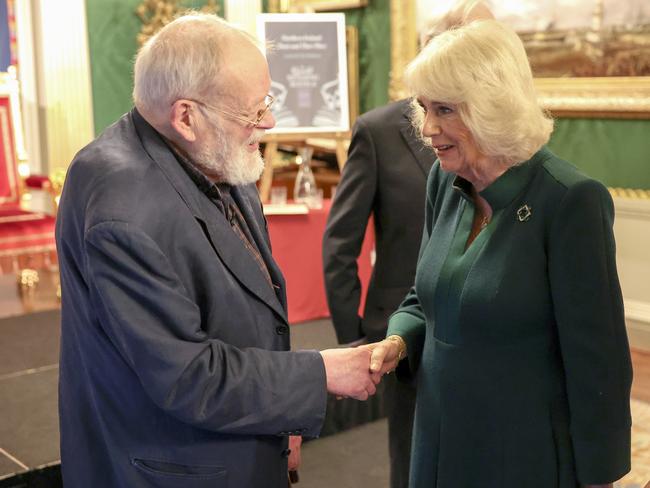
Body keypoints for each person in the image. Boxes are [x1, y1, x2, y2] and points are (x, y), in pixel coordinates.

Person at [55, 13, 381, 488]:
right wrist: (321, 373)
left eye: (267, 101)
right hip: (171, 468)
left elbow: (252, 310)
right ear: (186, 115)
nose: (268, 122)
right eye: (252, 111)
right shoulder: (121, 212)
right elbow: (186, 376)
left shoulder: (215, 154)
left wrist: (282, 418)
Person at [366, 19, 632, 488]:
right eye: (424, 108)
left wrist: (600, 476)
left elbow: (599, 361)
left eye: (445, 110)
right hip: (438, 435)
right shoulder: (444, 182)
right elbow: (425, 296)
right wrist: (399, 339)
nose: (427, 128)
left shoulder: (570, 201)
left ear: (492, 105)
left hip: (521, 450)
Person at [322, 2, 493, 487]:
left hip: (482, 333)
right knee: (413, 462)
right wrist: (353, 334)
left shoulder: (508, 142)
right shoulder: (378, 132)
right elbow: (340, 243)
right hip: (402, 331)